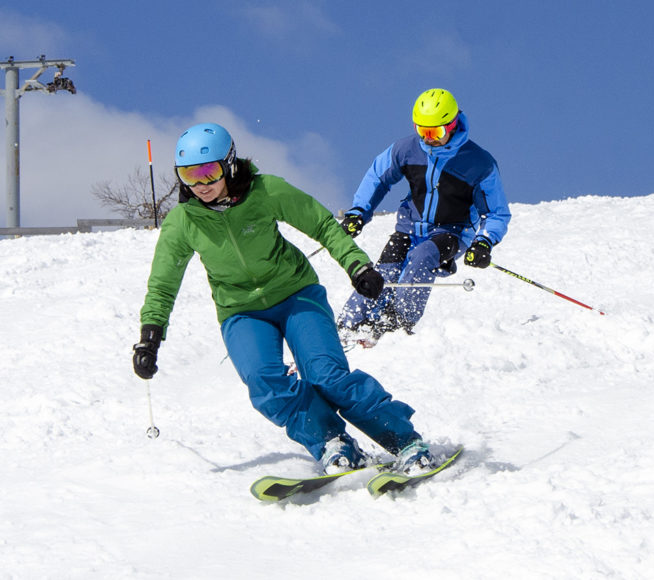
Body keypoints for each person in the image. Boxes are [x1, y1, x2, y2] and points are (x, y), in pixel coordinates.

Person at [132, 122, 433, 475]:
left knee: (327, 376)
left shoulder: (265, 190)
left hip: (296, 295)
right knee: (265, 384)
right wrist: (150, 337)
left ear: (229, 164)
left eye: (208, 172)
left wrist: (357, 266)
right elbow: (163, 284)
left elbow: (320, 223)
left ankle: (405, 440)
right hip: (242, 312)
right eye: (189, 176)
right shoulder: (182, 222)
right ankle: (331, 442)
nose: (201, 185)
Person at [337, 88, 511, 345]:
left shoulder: (479, 163)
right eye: (423, 131)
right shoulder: (406, 149)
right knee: (385, 270)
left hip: (451, 232)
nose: (428, 139)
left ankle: (397, 322)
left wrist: (483, 242)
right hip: (410, 227)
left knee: (422, 257)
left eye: (435, 133)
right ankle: (348, 323)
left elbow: (496, 213)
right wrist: (358, 212)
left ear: (451, 125)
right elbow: (377, 177)